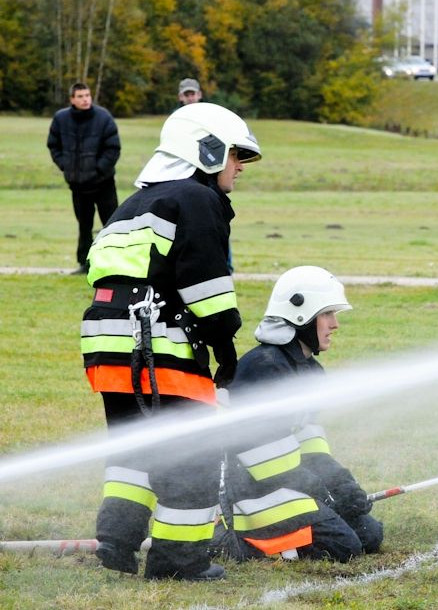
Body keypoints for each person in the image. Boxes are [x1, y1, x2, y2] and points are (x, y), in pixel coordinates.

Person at [80, 102, 262, 580]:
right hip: (158, 346)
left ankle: (116, 542)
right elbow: (207, 287)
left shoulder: (133, 203)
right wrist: (226, 352)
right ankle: (178, 563)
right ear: (207, 151)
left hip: (109, 348)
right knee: (191, 459)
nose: (239, 167)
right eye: (235, 155)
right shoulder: (197, 200)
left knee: (136, 448)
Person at [216, 266, 383, 562]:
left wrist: (343, 484)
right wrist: (326, 494)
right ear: (301, 315)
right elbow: (265, 461)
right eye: (328, 314)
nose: (335, 324)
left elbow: (311, 443)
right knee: (344, 546)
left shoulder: (308, 370)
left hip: (284, 481)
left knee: (370, 534)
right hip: (249, 490)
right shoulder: (265, 369)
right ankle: (231, 541)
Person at [47, 82, 121, 274]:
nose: (85, 99)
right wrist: (66, 166)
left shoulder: (103, 117)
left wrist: (98, 169)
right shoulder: (61, 119)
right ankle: (85, 264)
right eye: (80, 96)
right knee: (84, 225)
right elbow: (54, 145)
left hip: (103, 183)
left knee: (113, 224)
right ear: (72, 99)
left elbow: (113, 148)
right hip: (78, 185)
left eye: (87, 95)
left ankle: (116, 263)